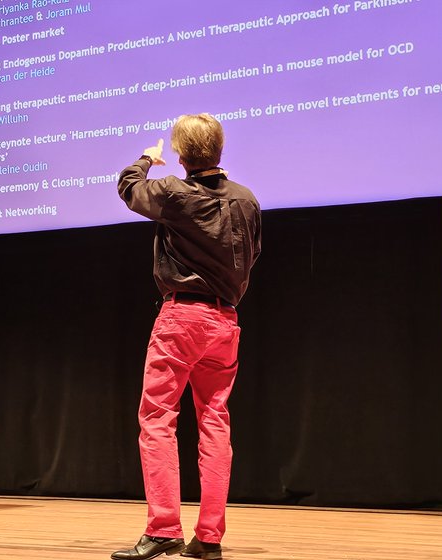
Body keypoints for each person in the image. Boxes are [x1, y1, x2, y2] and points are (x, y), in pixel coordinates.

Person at [111, 114, 262, 560]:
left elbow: (128, 187)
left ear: (180, 155)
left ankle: (163, 529)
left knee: (157, 419)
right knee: (215, 421)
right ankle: (209, 537)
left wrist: (146, 158)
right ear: (219, 148)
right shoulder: (247, 199)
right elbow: (253, 253)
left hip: (182, 318)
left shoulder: (174, 191)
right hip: (226, 320)